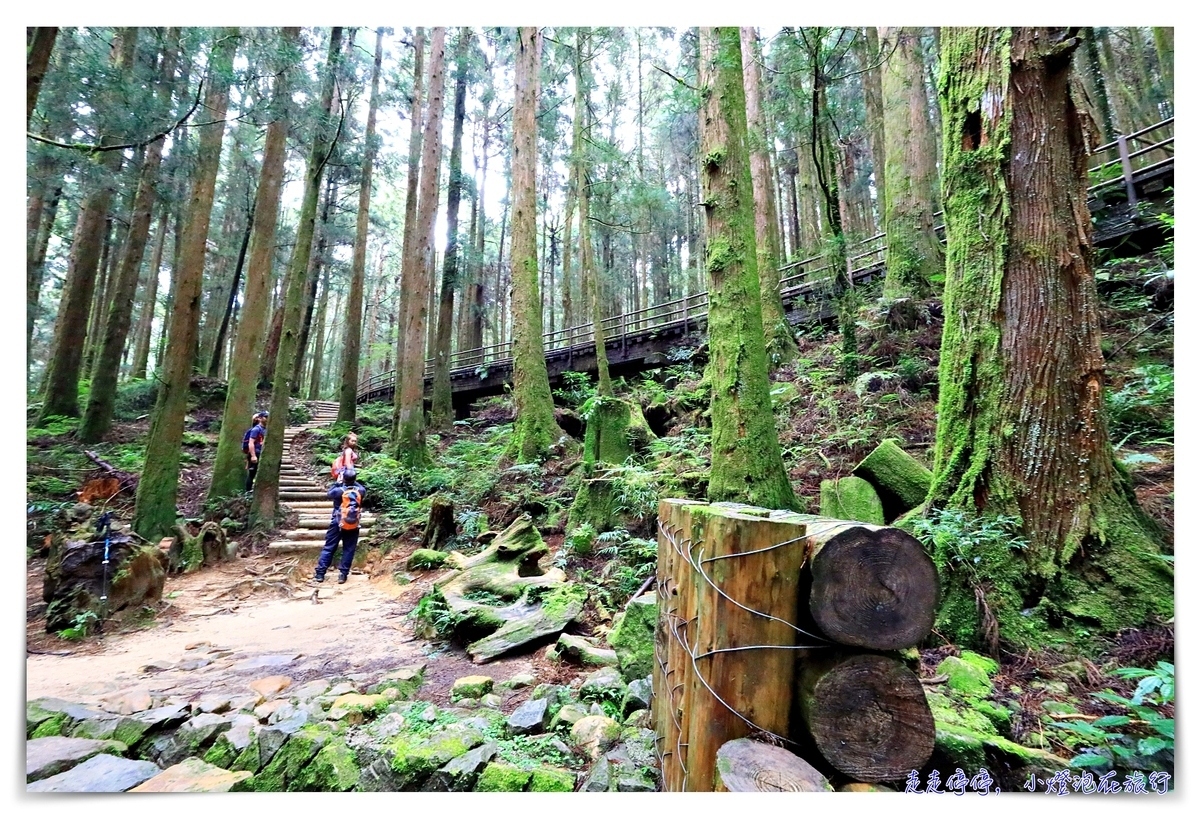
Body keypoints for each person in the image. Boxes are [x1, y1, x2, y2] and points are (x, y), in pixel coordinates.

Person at [311, 467, 366, 585]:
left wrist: (338, 481)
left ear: (344, 478)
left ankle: (320, 574)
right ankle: (343, 575)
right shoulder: (361, 490)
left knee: (329, 547)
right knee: (349, 548)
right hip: (354, 523)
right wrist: (352, 481)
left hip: (337, 522)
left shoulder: (338, 490)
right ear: (355, 478)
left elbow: (329, 493)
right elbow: (359, 488)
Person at [241, 411, 268, 492]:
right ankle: (248, 492)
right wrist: (253, 455)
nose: (267, 419)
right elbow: (251, 442)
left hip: (262, 452)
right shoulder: (256, 429)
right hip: (256, 452)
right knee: (252, 473)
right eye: (265, 417)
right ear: (260, 418)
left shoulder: (265, 429)